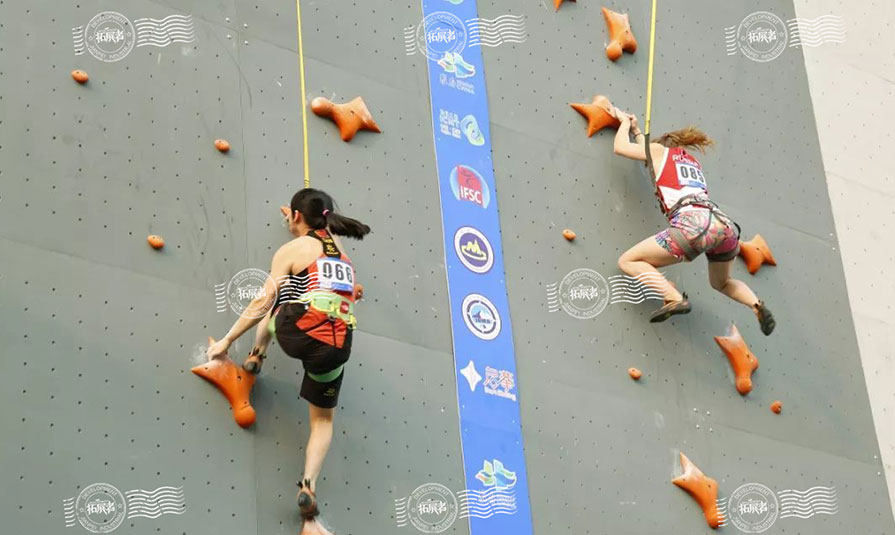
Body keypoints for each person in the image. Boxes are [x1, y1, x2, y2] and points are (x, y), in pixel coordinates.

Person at [206, 187, 371, 522]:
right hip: (337, 349)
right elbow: (324, 240)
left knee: (281, 298)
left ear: (297, 216)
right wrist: (298, 221)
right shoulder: (340, 252)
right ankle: (308, 486)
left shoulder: (292, 249)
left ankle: (255, 355)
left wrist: (224, 342)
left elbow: (262, 301)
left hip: (299, 334)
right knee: (323, 421)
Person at [610, 109, 775, 335]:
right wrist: (638, 132)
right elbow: (651, 165)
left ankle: (673, 297)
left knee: (628, 261)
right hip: (722, 225)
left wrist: (623, 124)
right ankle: (757, 305)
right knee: (722, 283)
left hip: (692, 225)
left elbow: (622, 148)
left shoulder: (659, 152)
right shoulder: (692, 164)